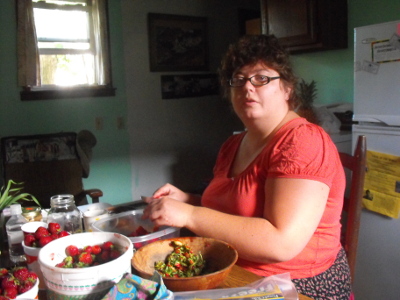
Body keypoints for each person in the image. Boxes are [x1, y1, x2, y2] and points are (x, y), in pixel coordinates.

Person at [142, 34, 352, 300]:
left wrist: (189, 214)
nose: (248, 88)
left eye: (262, 78)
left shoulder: (302, 141)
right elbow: (235, 212)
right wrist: (187, 200)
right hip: (233, 272)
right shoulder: (233, 145)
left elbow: (281, 243)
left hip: (298, 286)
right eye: (239, 80)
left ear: (287, 89)